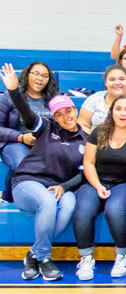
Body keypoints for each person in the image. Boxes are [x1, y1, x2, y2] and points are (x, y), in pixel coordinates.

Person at [1, 63, 86, 281]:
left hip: (59, 185)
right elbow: (28, 116)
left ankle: (33, 254)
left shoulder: (86, 139)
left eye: (69, 110)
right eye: (59, 114)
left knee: (68, 205)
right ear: (53, 117)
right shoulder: (46, 127)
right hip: (28, 181)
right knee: (48, 203)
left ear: (75, 110)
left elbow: (85, 172)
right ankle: (45, 258)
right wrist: (13, 91)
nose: (65, 116)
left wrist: (64, 187)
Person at [73, 96, 126, 281]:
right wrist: (98, 186)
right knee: (83, 211)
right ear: (112, 112)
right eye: (119, 109)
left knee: (114, 210)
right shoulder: (98, 132)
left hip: (124, 183)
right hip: (95, 181)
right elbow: (88, 163)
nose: (122, 113)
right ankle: (86, 258)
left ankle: (123, 256)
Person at [0, 62, 57, 202]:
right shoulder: (10, 96)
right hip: (14, 142)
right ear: (27, 75)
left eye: (45, 76)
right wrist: (21, 137)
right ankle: (9, 197)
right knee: (21, 163)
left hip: (44, 144)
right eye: (36, 73)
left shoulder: (53, 99)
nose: (40, 78)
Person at [77, 65, 126, 133]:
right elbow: (82, 125)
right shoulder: (94, 99)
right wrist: (94, 141)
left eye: (122, 79)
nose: (117, 83)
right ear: (106, 83)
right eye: (112, 79)